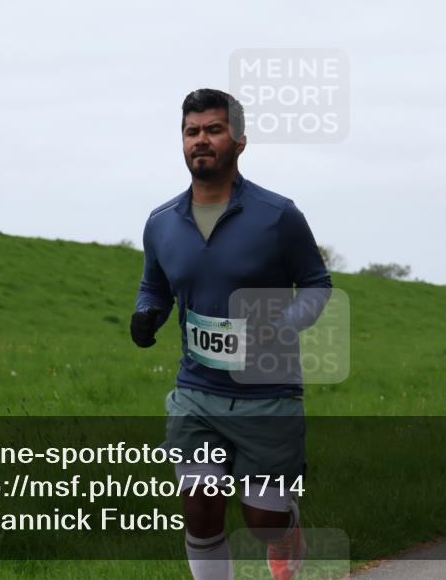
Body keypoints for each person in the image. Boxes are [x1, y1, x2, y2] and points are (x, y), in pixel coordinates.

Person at [130, 88, 332, 580]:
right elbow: (153, 286)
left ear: (239, 141)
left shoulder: (278, 216)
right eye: (192, 131)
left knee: (263, 522)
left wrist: (283, 324)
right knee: (200, 507)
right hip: (197, 392)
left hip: (267, 392)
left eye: (214, 129)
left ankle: (286, 528)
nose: (201, 139)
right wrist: (147, 312)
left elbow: (316, 285)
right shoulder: (161, 223)